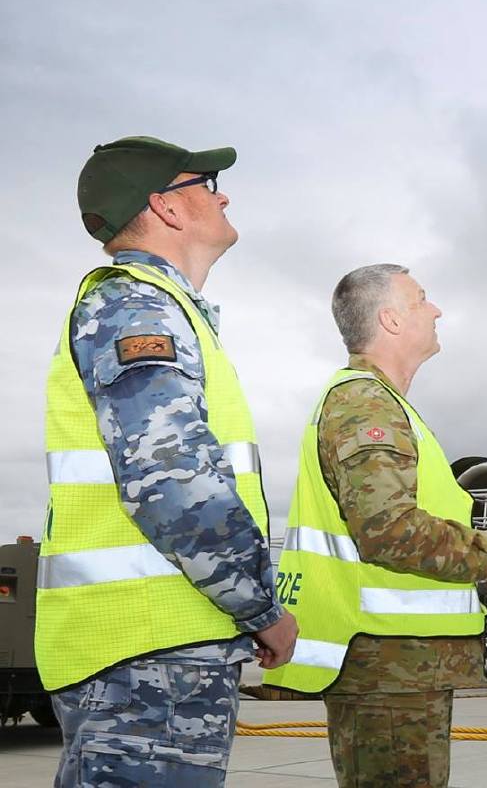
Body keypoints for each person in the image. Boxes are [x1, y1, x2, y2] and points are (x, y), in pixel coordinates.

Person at [41, 136, 297, 787]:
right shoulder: (137, 306)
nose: (224, 193)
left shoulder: (163, 310)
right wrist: (262, 608)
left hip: (157, 650)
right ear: (166, 206)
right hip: (142, 658)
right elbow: (171, 482)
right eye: (207, 182)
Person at [266, 264, 487, 788]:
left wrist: (486, 571)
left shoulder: (384, 404)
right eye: (422, 300)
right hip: (386, 668)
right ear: (391, 320)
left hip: (400, 666)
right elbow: (387, 528)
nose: (436, 310)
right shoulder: (364, 403)